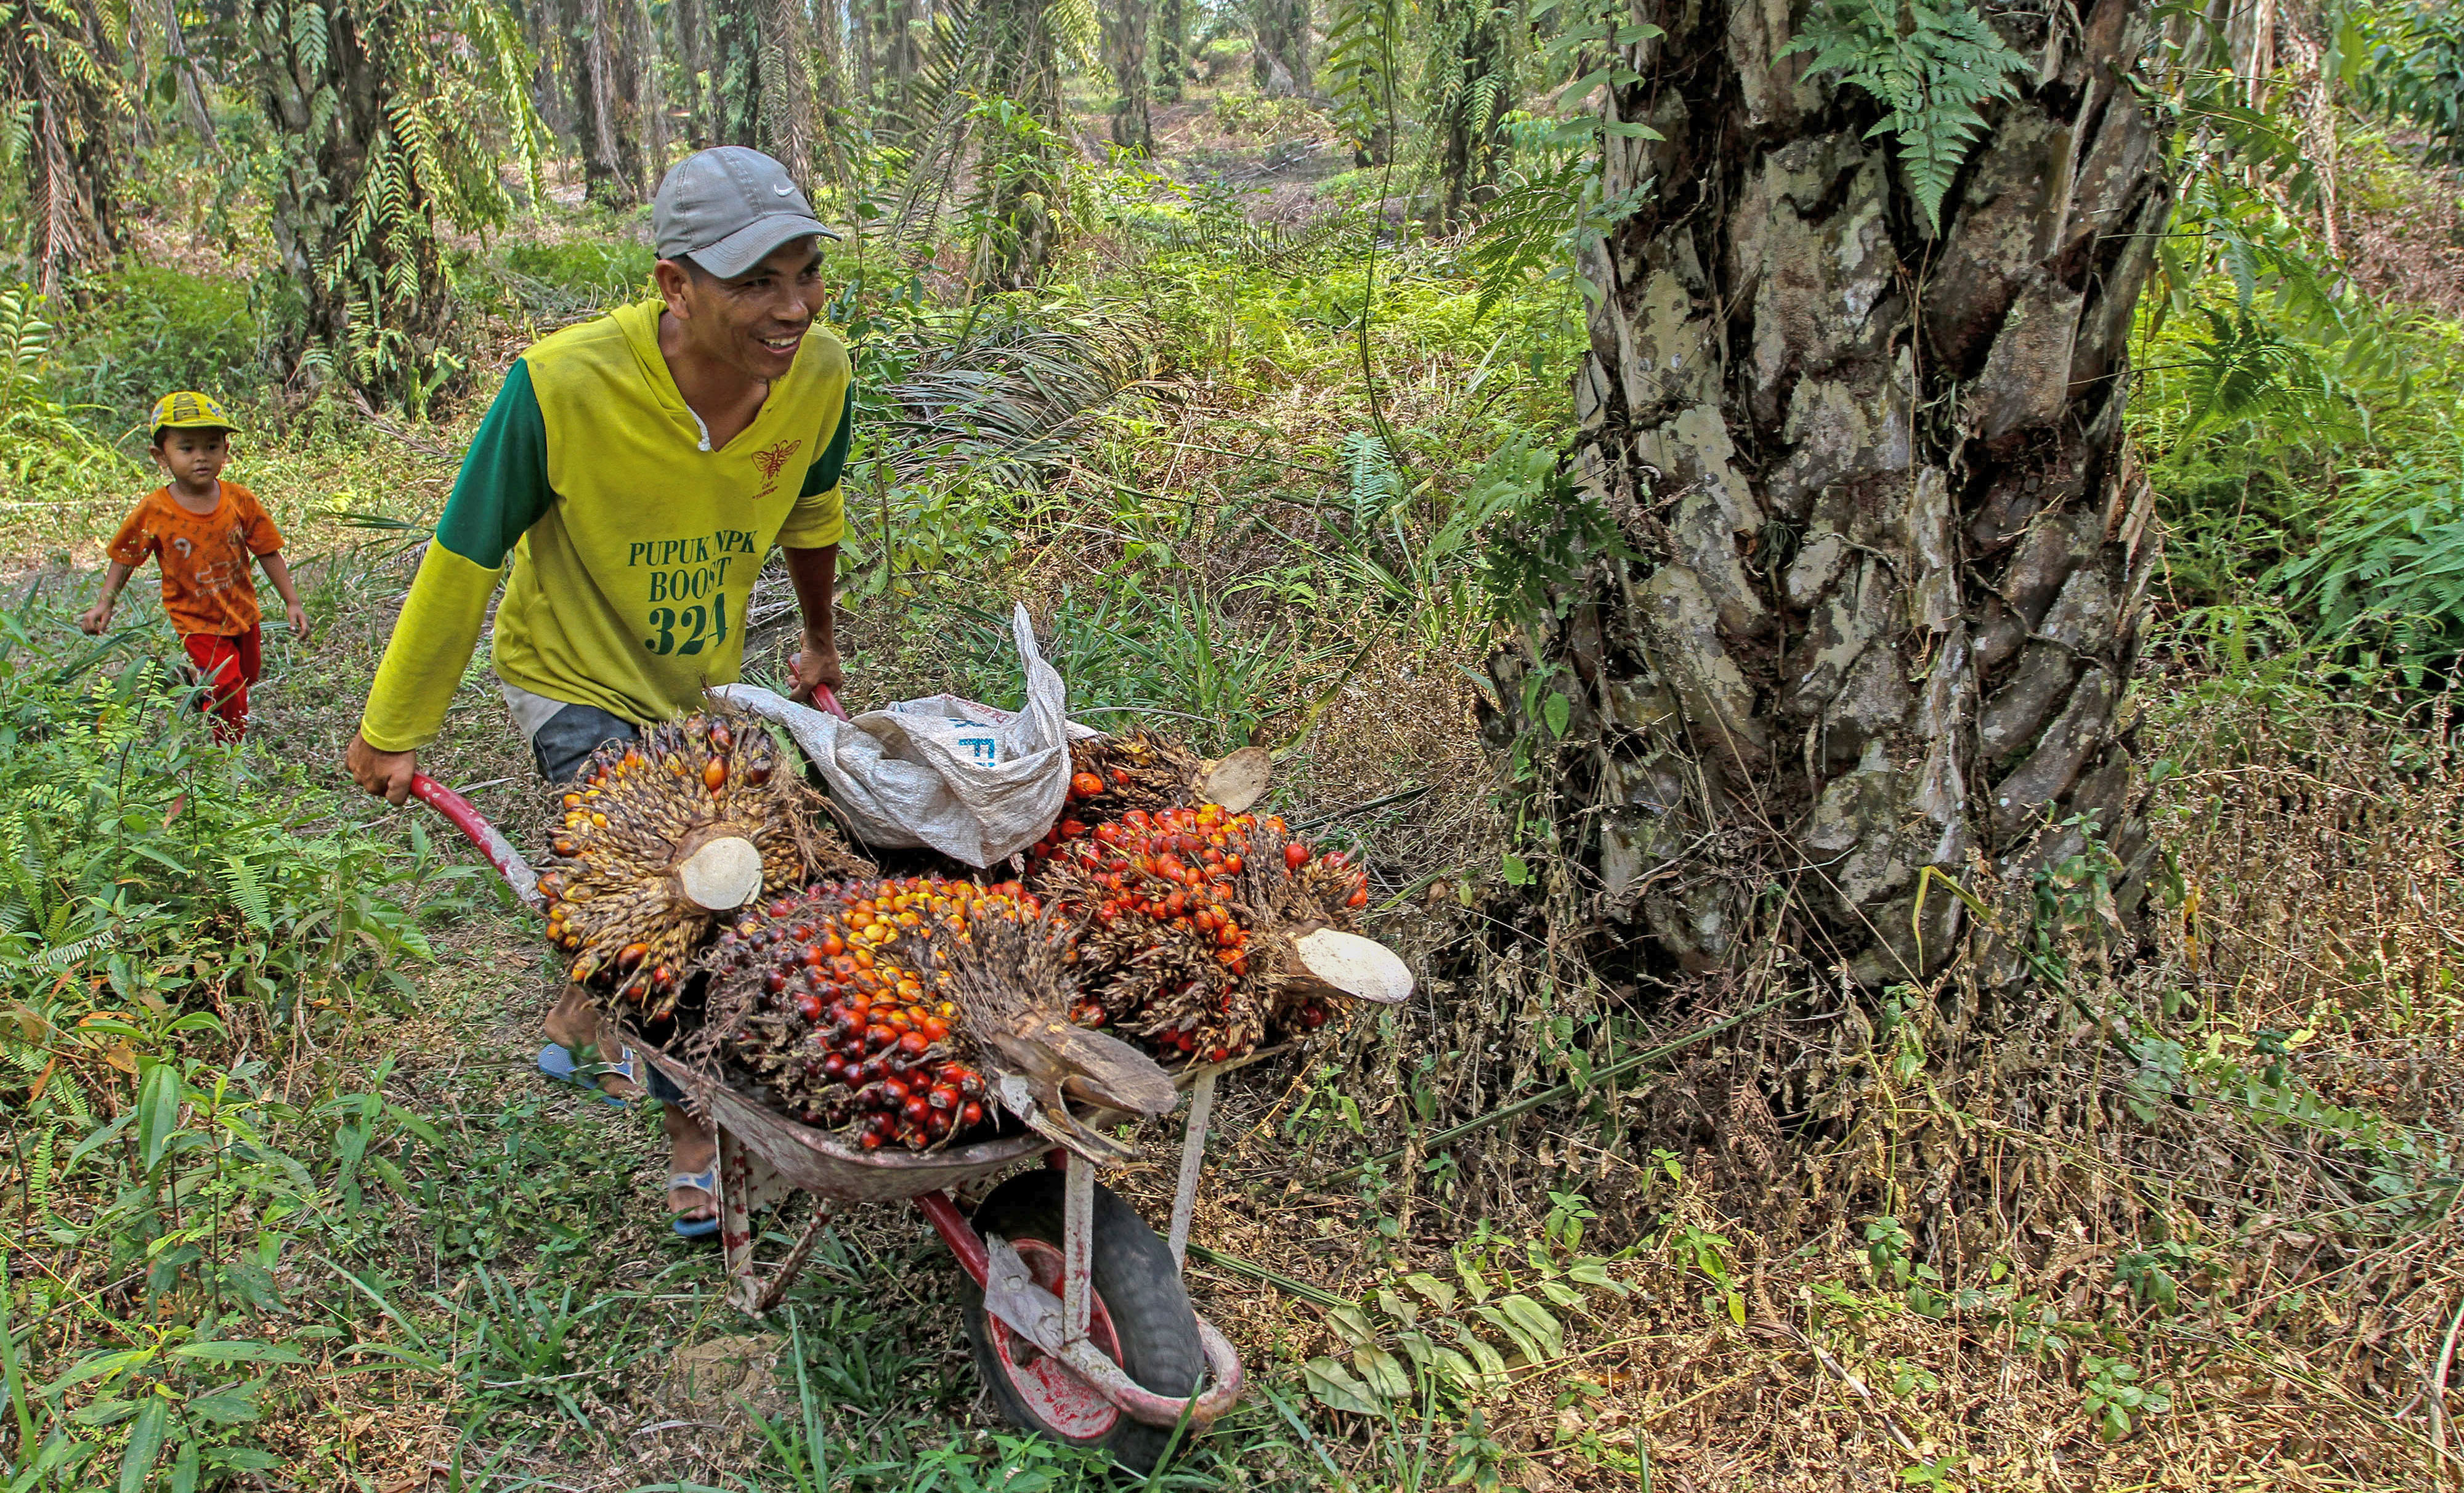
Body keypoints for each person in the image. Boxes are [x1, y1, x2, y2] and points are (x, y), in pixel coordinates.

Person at [342, 147, 856, 1237]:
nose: (793, 306)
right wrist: (395, 724)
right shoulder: (559, 386)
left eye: (806, 273)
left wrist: (816, 641)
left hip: (693, 681)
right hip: (568, 671)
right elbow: (466, 553)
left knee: (714, 868)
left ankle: (580, 1009)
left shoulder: (822, 376)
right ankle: (693, 1134)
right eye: (757, 282)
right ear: (675, 285)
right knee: (682, 899)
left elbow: (814, 512)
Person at [79, 392, 309, 740]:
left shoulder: (240, 500)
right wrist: (105, 603)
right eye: (187, 448)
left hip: (242, 610)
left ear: (226, 452)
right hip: (195, 617)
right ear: (161, 456)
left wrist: (292, 601)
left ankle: (194, 684)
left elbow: (267, 551)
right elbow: (126, 556)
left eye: (212, 447)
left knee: (247, 674)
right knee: (228, 685)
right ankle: (227, 757)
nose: (201, 457)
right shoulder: (155, 511)